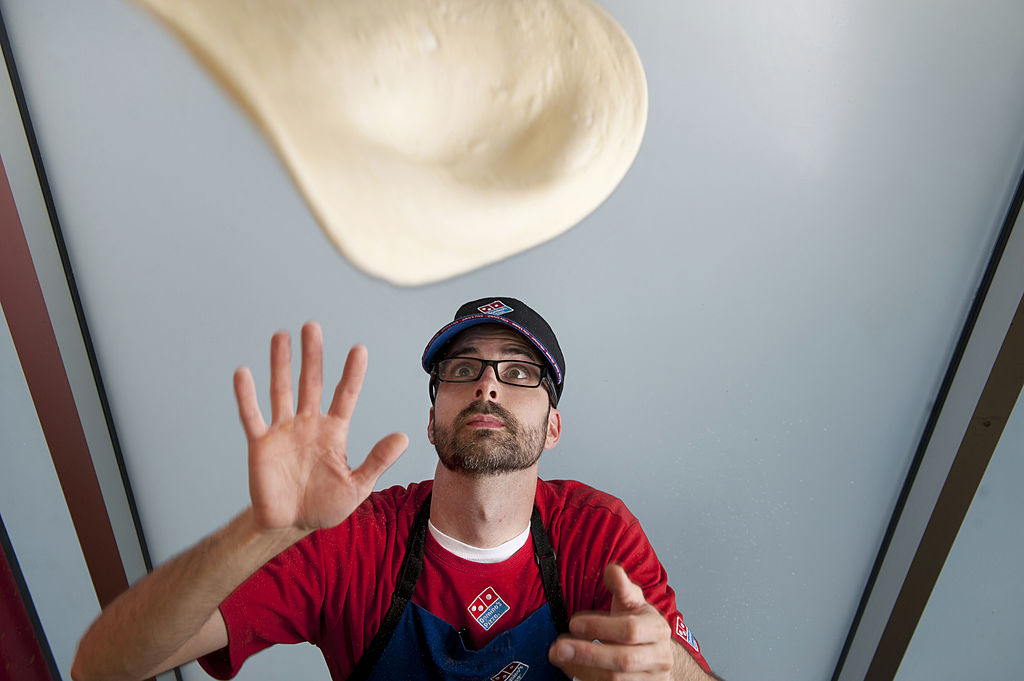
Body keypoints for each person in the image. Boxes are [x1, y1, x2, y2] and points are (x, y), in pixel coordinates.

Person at [72, 297, 720, 681]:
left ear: (553, 426)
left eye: (519, 372)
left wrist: (667, 669)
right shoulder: (354, 539)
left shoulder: (596, 533)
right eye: (463, 369)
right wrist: (261, 531)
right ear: (432, 416)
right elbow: (102, 665)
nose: (487, 385)